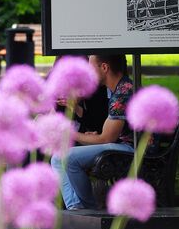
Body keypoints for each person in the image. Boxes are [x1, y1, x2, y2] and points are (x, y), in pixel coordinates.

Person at [51, 54, 135, 210]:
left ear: (104, 68)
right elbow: (107, 135)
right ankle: (77, 208)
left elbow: (106, 138)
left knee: (65, 158)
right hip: (123, 145)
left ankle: (88, 210)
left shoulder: (122, 93)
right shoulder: (118, 89)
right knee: (57, 159)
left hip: (131, 150)